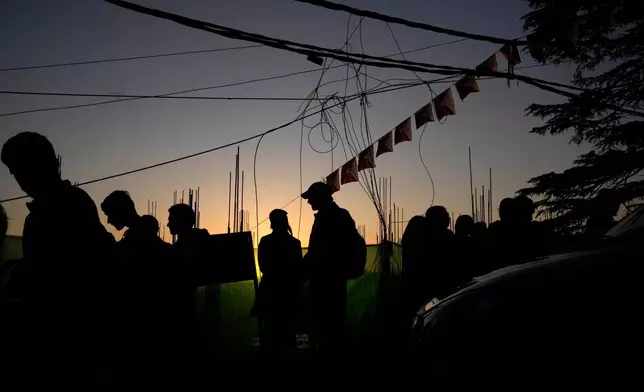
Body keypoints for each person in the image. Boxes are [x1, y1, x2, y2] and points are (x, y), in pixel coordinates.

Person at [1, 132, 115, 391]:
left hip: (72, 341)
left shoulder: (71, 205)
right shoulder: (39, 215)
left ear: (45, 165)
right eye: (15, 173)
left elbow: (81, 274)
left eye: (21, 170)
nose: (20, 179)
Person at [301, 182, 356, 359]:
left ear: (321, 197)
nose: (309, 202)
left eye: (311, 198)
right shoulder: (327, 216)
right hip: (325, 279)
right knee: (326, 323)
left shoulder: (335, 217)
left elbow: (324, 251)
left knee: (330, 323)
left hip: (329, 280)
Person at [254, 209, 303, 358]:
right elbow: (299, 268)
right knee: (287, 327)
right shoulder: (295, 243)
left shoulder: (265, 241)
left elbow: (263, 267)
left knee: (272, 328)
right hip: (289, 290)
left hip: (271, 290)